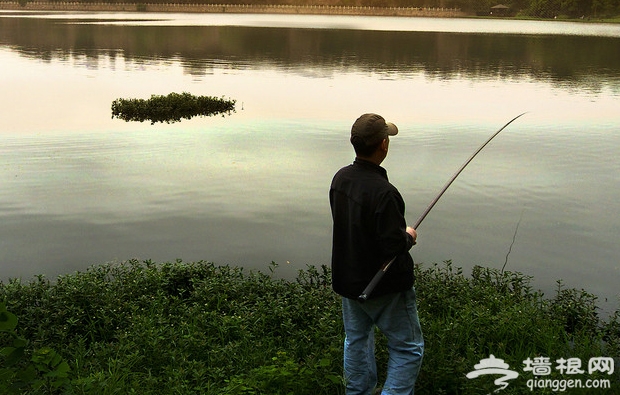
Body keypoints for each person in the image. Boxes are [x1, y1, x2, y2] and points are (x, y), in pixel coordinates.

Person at [329, 113, 424, 395]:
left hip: (349, 280)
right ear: (383, 144)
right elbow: (393, 246)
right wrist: (408, 236)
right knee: (407, 349)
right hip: (385, 287)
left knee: (356, 340)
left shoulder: (340, 179)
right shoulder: (385, 192)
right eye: (387, 138)